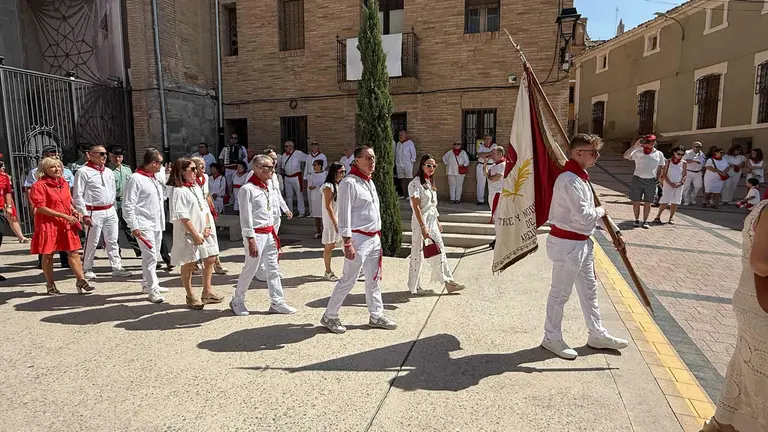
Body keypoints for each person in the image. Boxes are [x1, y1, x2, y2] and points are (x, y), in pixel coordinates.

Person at [542, 133, 629, 360]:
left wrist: (614, 231)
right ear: (578, 153)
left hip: (582, 243)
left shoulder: (582, 178)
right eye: (593, 152)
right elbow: (584, 215)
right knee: (560, 293)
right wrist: (602, 211)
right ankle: (551, 337)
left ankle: (596, 333)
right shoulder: (569, 180)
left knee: (589, 291)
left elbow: (592, 213)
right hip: (566, 244)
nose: (597, 156)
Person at [699, 198, 768, 432]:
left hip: (755, 305)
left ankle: (724, 424)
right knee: (757, 376)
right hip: (761, 309)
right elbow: (760, 263)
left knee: (746, 370)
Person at [320, 146, 397, 334]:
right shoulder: (349, 183)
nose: (372, 162)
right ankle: (330, 315)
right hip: (357, 239)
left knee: (373, 278)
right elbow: (344, 215)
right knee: (349, 279)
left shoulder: (369, 182)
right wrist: (347, 242)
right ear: (356, 161)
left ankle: (376, 314)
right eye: (368, 158)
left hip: (373, 238)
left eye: (373, 158)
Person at [230, 155, 297, 316]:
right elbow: (245, 217)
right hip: (256, 234)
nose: (273, 170)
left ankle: (277, 302)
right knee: (251, 268)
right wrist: (250, 239)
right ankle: (237, 300)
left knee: (273, 268)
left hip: (270, 233)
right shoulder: (247, 189)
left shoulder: (268, 187)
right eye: (269, 167)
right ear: (258, 168)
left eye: (273, 167)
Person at [29, 157, 94, 295]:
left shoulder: (64, 183)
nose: (57, 169)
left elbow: (66, 202)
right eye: (53, 167)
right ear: (44, 170)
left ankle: (81, 280)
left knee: (73, 251)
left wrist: (74, 210)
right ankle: (50, 284)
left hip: (65, 222)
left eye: (59, 166)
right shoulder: (39, 185)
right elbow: (40, 208)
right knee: (48, 254)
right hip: (48, 223)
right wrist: (64, 216)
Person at [168, 158, 223, 310]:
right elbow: (182, 216)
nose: (196, 172)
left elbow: (205, 207)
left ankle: (207, 291)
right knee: (189, 263)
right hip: (189, 232)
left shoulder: (195, 186)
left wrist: (207, 225)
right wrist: (195, 234)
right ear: (181, 172)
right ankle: (190, 295)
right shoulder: (178, 191)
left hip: (204, 229)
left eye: (196, 169)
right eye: (192, 169)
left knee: (210, 258)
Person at [407, 154, 466, 296]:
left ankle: (448, 282)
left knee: (440, 250)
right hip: (420, 222)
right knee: (418, 253)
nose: (431, 168)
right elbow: (416, 207)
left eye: (434, 166)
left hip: (432, 221)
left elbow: (432, 206)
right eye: (429, 165)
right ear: (422, 166)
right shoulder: (415, 183)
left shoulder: (430, 183)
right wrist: (423, 227)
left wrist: (437, 221)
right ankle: (415, 285)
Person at [73, 144, 132, 279]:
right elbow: (78, 195)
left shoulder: (108, 172)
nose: (104, 156)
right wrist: (84, 214)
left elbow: (112, 191)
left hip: (110, 210)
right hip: (93, 211)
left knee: (112, 240)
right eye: (100, 153)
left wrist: (114, 209)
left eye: (105, 153)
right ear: (91, 155)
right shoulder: (83, 172)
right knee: (92, 241)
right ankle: (87, 267)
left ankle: (117, 266)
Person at [122, 149, 169, 303]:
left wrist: (167, 178)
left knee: (152, 256)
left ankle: (147, 284)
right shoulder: (135, 179)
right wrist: (133, 225)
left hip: (157, 223)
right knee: (150, 257)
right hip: (143, 224)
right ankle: (153, 289)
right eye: (160, 163)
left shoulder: (154, 178)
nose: (161, 166)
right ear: (153, 163)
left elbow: (164, 196)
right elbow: (128, 205)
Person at [26, 146, 74, 268]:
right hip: (47, 214)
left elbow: (70, 190)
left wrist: (73, 207)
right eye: (50, 154)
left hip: (63, 211)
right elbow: (29, 189)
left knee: (67, 244)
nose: (54, 155)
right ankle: (43, 264)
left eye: (55, 153)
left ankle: (65, 262)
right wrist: (32, 204)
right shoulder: (35, 174)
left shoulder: (66, 173)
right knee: (47, 246)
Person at [253, 148, 292, 283]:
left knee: (272, 243)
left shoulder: (274, 175)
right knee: (262, 243)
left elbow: (277, 194)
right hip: (263, 216)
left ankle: (270, 268)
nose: (274, 161)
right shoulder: (254, 175)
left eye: (275, 158)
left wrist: (285, 209)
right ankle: (259, 270)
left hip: (275, 214)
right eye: (271, 158)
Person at [191, 157, 228, 275]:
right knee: (197, 237)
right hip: (196, 211)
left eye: (204, 164)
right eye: (200, 164)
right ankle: (194, 264)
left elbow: (207, 195)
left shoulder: (205, 177)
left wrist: (212, 208)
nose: (203, 166)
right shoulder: (190, 179)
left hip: (206, 211)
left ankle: (217, 263)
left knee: (212, 236)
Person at [623, 134, 665, 229]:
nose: (652, 143)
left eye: (653, 141)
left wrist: (658, 179)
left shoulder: (658, 154)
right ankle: (636, 219)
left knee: (648, 202)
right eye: (649, 141)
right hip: (637, 178)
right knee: (636, 201)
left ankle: (645, 221)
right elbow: (626, 156)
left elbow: (660, 167)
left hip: (651, 180)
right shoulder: (638, 151)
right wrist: (634, 146)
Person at [109, 146, 141, 258]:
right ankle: (116, 252)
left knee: (129, 226)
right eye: (114, 157)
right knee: (114, 229)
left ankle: (138, 250)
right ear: (110, 157)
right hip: (114, 202)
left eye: (119, 156)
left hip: (126, 202)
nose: (117, 159)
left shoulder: (127, 169)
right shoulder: (108, 171)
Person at [321, 162, 345, 281]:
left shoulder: (337, 185)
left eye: (344, 171)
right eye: (341, 172)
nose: (343, 174)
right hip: (331, 220)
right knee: (329, 245)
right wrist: (335, 223)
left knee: (346, 243)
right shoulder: (328, 186)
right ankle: (328, 271)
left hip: (339, 218)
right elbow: (328, 206)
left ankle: (354, 268)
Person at [653, 146, 687, 225]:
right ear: (674, 153)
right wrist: (670, 183)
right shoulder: (668, 161)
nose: (680, 156)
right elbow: (664, 174)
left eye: (682, 154)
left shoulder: (684, 163)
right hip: (668, 183)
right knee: (665, 200)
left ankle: (671, 217)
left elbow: (684, 174)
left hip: (678, 184)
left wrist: (681, 183)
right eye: (678, 154)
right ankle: (658, 216)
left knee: (675, 201)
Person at [0, 160, 29, 243]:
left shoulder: (5, 177)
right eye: (1, 166)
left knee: (12, 218)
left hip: (4, 201)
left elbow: (8, 191)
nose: (3, 167)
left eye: (3, 165)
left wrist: (8, 205)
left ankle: (21, 236)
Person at [485, 147, 506, 249]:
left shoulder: (502, 165)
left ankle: (499, 239)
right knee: (496, 217)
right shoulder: (494, 165)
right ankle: (498, 237)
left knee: (498, 217)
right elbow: (486, 173)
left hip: (498, 193)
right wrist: (484, 165)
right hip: (492, 193)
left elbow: (495, 178)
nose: (491, 155)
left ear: (500, 154)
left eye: (494, 154)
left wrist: (489, 177)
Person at [280, 141, 307, 217]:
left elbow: (308, 159)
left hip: (296, 177)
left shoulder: (298, 153)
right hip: (287, 177)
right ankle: (290, 212)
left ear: (291, 146)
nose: (285, 148)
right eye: (285, 146)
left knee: (299, 194)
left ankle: (301, 212)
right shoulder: (284, 155)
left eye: (287, 146)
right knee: (289, 196)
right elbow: (283, 166)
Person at [442, 139, 470, 204]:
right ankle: (452, 199)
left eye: (458, 144)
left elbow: (467, 161)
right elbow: (444, 158)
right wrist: (447, 164)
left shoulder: (463, 152)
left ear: (460, 145)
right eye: (455, 144)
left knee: (459, 185)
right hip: (451, 171)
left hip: (460, 172)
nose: (456, 145)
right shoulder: (450, 152)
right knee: (452, 185)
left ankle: (457, 199)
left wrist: (463, 165)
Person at [475, 135, 498, 205]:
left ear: (491, 139)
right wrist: (490, 153)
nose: (487, 140)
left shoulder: (494, 146)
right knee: (480, 183)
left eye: (488, 139)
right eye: (485, 139)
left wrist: (485, 155)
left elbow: (495, 155)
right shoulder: (480, 146)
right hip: (481, 165)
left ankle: (491, 200)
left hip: (491, 166)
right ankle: (480, 200)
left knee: (492, 183)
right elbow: (480, 154)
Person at [395, 130, 417, 200]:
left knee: (409, 179)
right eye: (400, 135)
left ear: (405, 135)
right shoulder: (398, 143)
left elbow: (413, 152)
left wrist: (412, 161)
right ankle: (404, 195)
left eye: (402, 135)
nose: (400, 136)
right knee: (402, 180)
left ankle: (410, 195)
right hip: (399, 164)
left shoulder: (410, 143)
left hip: (407, 164)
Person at [682, 142, 705, 206]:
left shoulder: (702, 154)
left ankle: (692, 196)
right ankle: (686, 200)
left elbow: (703, 162)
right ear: (693, 146)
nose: (698, 148)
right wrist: (694, 161)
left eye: (700, 147)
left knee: (699, 186)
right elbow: (683, 161)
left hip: (698, 172)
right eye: (697, 147)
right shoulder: (687, 152)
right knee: (686, 187)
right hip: (689, 171)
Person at [308, 159, 326, 239]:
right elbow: (309, 186)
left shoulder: (325, 174)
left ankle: (325, 231)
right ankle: (318, 231)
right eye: (313, 165)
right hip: (315, 196)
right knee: (317, 215)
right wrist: (314, 186)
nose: (314, 167)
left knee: (324, 215)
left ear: (320, 165)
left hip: (323, 196)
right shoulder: (311, 175)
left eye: (315, 165)